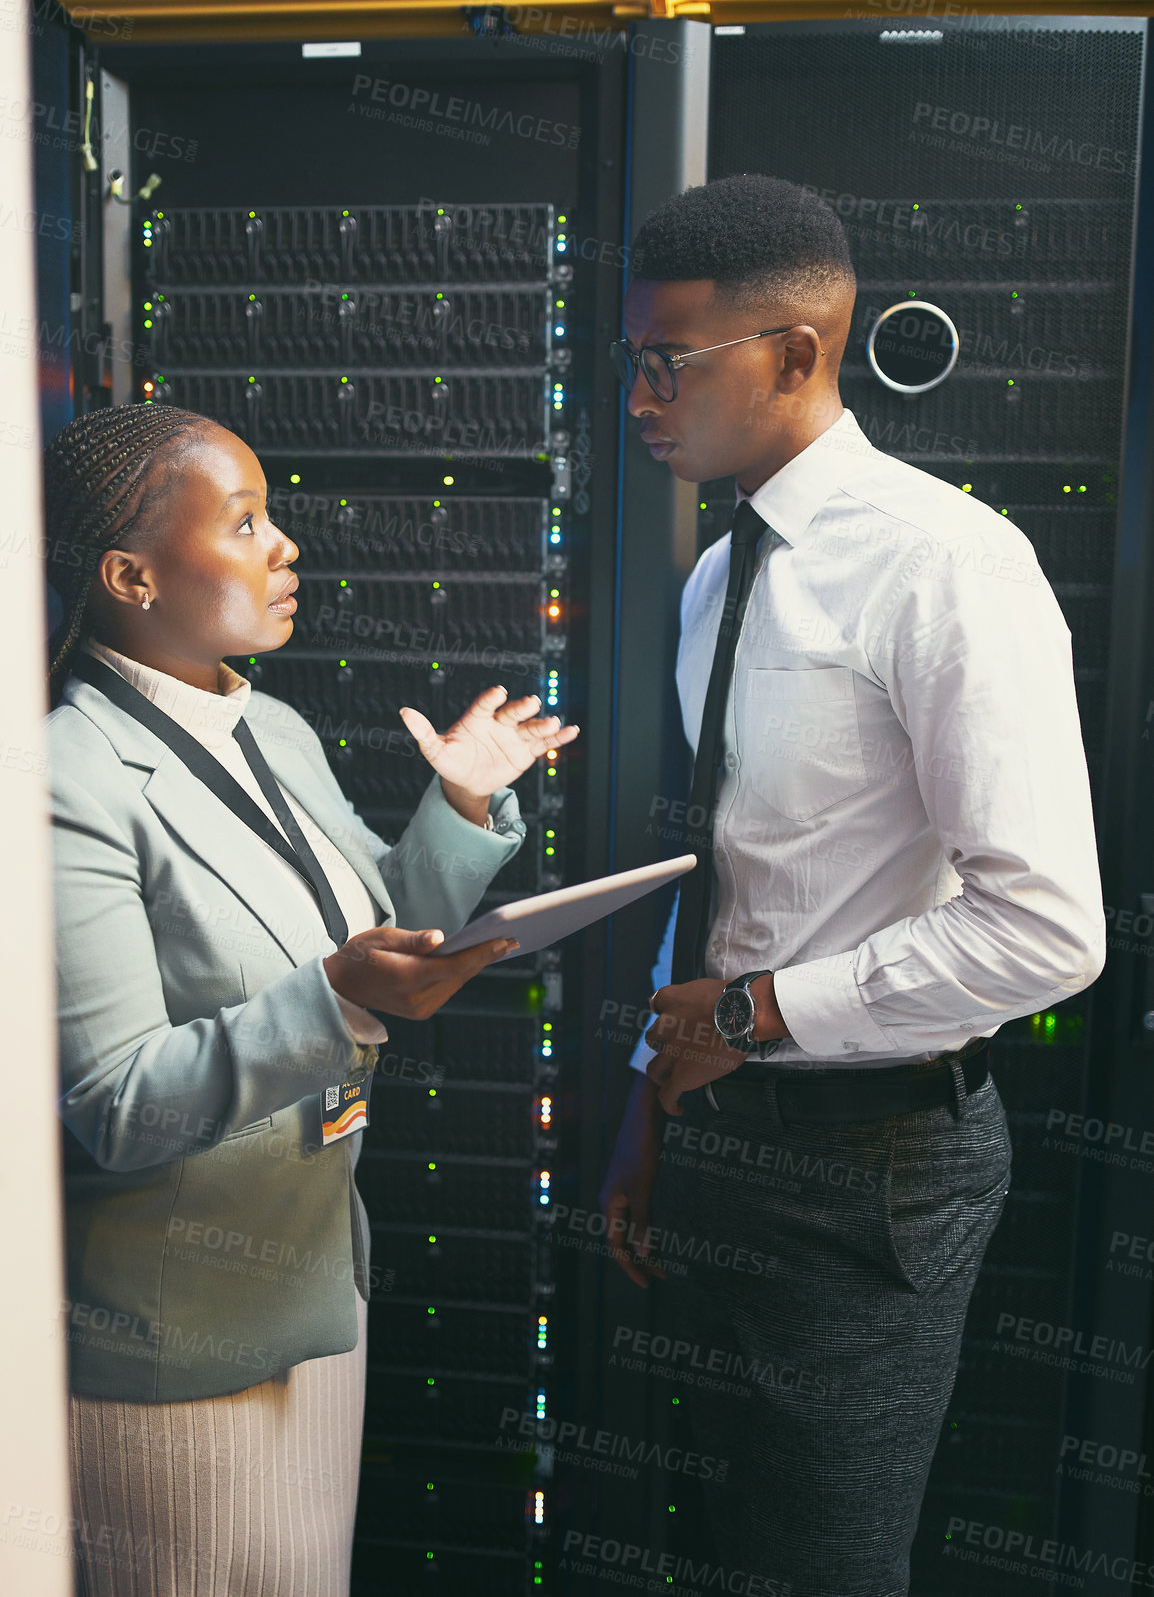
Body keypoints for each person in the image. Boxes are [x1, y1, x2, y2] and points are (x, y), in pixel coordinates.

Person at [599, 174, 1104, 1597]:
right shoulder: (717, 576)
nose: (640, 395)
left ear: (797, 356)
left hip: (871, 1169)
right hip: (713, 1134)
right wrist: (654, 1090)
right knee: (725, 1552)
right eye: (631, 357)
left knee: (822, 1567)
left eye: (670, 361)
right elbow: (726, 868)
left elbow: (1046, 930)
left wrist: (750, 1015)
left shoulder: (947, 565)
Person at [45, 402, 578, 1597]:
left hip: (314, 1284)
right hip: (173, 1336)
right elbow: (117, 1102)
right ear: (129, 574)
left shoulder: (267, 725)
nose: (285, 546)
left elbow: (378, 924)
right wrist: (335, 1002)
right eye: (244, 522)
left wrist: (461, 806)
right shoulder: (66, 778)